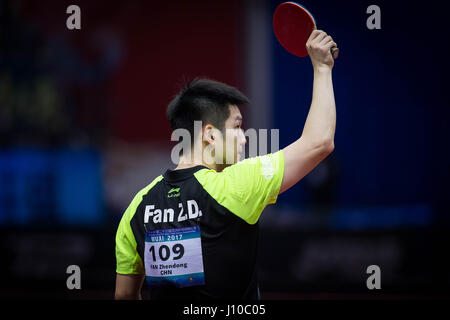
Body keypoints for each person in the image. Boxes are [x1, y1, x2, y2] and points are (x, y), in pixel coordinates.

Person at [115, 30, 337, 300]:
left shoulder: (137, 208)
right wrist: (322, 68)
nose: (244, 137)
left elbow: (124, 296)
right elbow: (319, 142)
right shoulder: (234, 186)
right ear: (209, 134)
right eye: (237, 126)